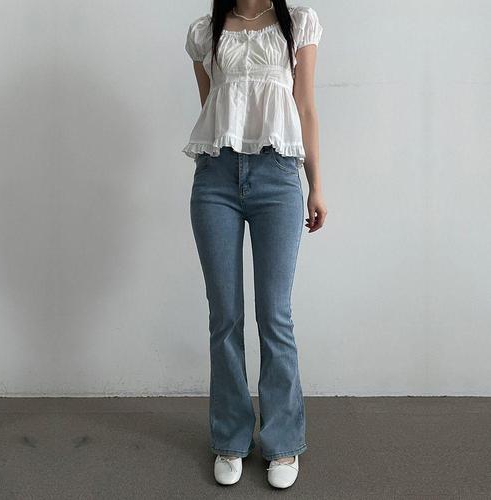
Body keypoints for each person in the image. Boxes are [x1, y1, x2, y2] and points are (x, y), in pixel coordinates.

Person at [182, 0, 326, 489]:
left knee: (275, 314)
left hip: (278, 175)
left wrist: (317, 186)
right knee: (224, 315)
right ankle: (230, 437)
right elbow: (212, 107)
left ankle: (282, 443)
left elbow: (305, 107)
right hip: (216, 178)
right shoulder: (206, 32)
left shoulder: (297, 23)